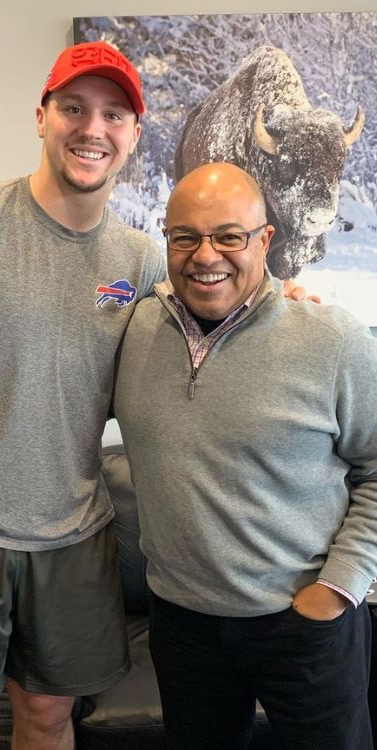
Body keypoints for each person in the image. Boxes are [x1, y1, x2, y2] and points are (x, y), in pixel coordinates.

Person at [0, 42, 310, 749]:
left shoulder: (141, 261)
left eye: (114, 114)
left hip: (75, 541)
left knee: (49, 717)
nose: (93, 128)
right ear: (41, 118)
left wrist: (283, 300)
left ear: (135, 136)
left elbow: (223, 306)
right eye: (74, 108)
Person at [114, 162, 377, 750]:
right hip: (182, 626)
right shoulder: (133, 332)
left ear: (266, 240)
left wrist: (338, 587)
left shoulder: (333, 340)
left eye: (229, 235)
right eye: (185, 236)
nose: (206, 254)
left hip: (303, 620)